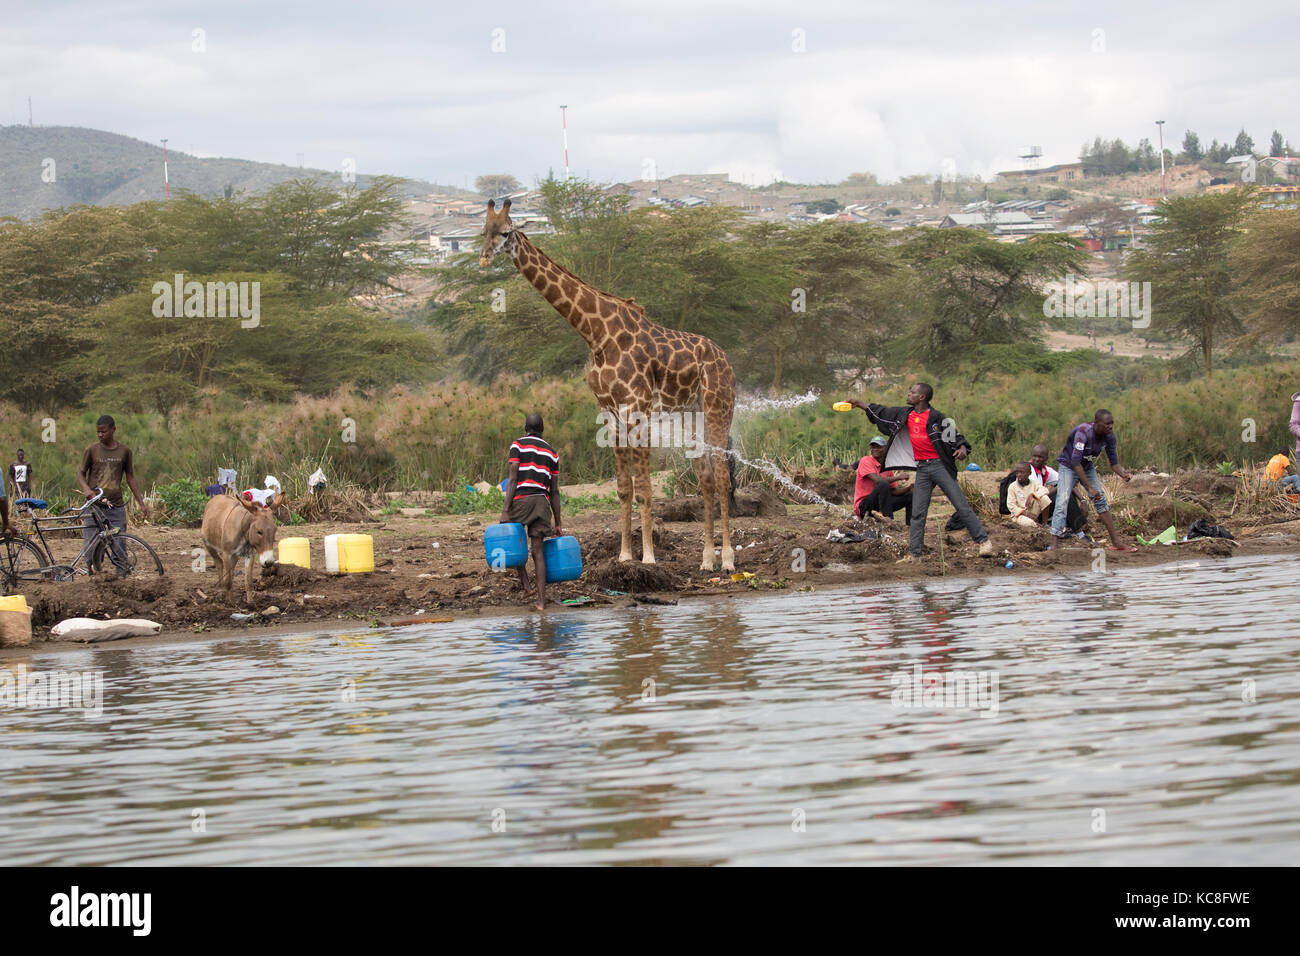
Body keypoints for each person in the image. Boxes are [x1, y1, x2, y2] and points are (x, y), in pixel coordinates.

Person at [846, 383, 994, 563]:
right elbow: (882, 412)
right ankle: (914, 554)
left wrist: (962, 449)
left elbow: (957, 438)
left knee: (961, 505)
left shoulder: (938, 418)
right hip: (922, 469)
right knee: (917, 512)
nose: (909, 394)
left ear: (922, 397)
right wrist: (859, 403)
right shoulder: (904, 415)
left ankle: (984, 542)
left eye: (913, 392)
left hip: (940, 467)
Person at [500, 413, 563, 612]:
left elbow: (512, 479)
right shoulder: (553, 453)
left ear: (526, 428)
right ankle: (541, 602)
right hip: (542, 503)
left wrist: (505, 510)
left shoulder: (517, 445)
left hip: (521, 501)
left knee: (515, 543)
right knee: (538, 552)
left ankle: (527, 585)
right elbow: (554, 491)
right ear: (542, 430)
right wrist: (558, 522)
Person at [1047, 410, 1134, 551]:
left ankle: (1116, 542)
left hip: (1087, 467)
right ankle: (1055, 544)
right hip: (1069, 466)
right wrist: (1089, 488)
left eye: (1112, 423)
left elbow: (1114, 463)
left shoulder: (1109, 437)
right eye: (1107, 424)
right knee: (1062, 500)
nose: (1110, 426)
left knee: (1100, 499)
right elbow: (1075, 462)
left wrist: (1123, 474)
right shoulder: (1083, 432)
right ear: (1097, 423)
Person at [77, 415, 149, 573]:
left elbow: (130, 477)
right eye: (98, 432)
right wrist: (87, 490)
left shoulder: (124, 451)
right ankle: (94, 576)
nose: (100, 435)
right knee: (91, 546)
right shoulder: (92, 450)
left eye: (103, 432)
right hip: (94, 506)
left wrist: (141, 503)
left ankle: (121, 579)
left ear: (113, 429)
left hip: (115, 506)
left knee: (119, 546)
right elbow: (81, 473)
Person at [1028, 442, 1090, 536]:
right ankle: (1078, 531)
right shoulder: (1029, 470)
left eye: (1040, 457)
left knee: (1067, 492)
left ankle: (1071, 526)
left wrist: (1083, 500)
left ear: (1046, 458)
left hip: (1042, 506)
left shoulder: (1046, 470)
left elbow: (1067, 482)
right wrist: (1061, 487)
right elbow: (1036, 496)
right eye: (1035, 456)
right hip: (1030, 509)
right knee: (1062, 493)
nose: (1036, 459)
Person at [854, 436, 913, 524]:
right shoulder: (866, 460)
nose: (875, 449)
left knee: (910, 496)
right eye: (873, 447)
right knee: (883, 484)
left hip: (881, 504)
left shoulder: (887, 466)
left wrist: (908, 488)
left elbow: (893, 491)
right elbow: (878, 480)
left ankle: (910, 525)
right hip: (864, 506)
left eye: (878, 447)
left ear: (886, 448)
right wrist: (898, 477)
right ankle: (889, 520)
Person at [1006, 462, 1054, 528]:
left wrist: (1033, 495)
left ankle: (1044, 523)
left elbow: (1045, 490)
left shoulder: (1034, 483)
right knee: (1029, 523)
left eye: (1022, 472)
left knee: (1045, 498)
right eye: (1017, 472)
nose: (1019, 475)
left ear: (1029, 473)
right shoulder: (1012, 487)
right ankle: (1038, 527)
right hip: (1019, 515)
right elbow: (1011, 505)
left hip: (1032, 510)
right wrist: (1026, 514)